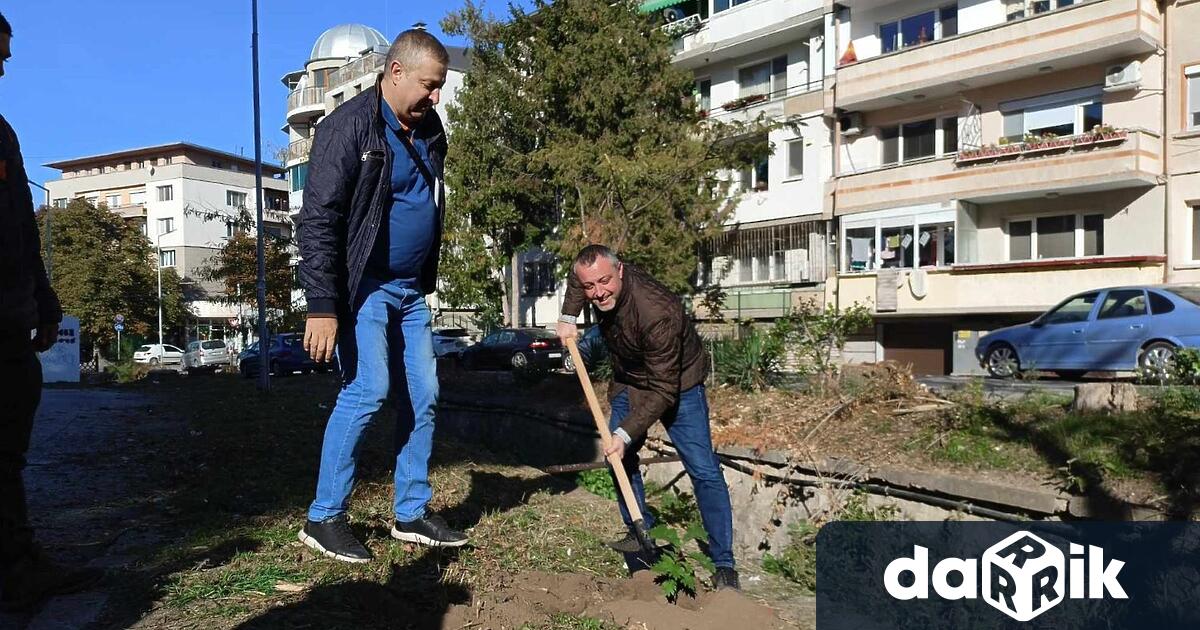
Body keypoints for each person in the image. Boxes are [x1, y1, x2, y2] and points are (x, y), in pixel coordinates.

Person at [297, 28, 467, 563]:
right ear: (396, 72)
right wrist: (323, 305)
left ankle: (410, 511)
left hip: (411, 288)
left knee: (424, 393)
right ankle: (323, 518)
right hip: (363, 283)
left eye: (439, 86)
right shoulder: (346, 129)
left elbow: (421, 199)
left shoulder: (429, 126)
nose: (435, 97)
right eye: (428, 84)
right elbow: (318, 219)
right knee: (369, 388)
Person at [556, 245, 739, 590]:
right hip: (629, 379)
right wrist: (568, 317)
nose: (598, 292)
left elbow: (664, 390)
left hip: (678, 384)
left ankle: (724, 565)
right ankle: (641, 529)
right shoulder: (591, 282)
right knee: (616, 458)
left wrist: (625, 434)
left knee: (703, 470)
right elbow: (576, 280)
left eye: (605, 282)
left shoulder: (657, 312)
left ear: (620, 270)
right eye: (591, 286)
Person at [0, 11, 102, 610]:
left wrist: (43, 294)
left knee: (10, 443)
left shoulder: (3, 135)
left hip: (11, 323)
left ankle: (18, 560)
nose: (4, 66)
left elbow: (19, 228)